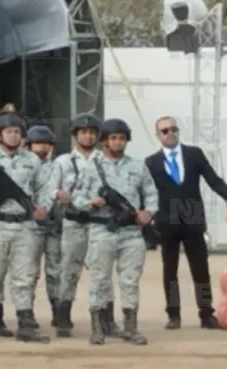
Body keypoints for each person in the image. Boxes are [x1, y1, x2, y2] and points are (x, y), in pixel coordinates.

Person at [144, 115, 227, 330]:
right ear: (158, 135)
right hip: (167, 222)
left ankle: (206, 314)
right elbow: (145, 193)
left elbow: (213, 179)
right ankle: (173, 314)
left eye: (173, 129)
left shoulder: (194, 155)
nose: (170, 133)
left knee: (200, 269)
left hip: (192, 219)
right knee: (170, 269)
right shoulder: (151, 162)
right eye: (164, 130)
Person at [76, 118, 158, 346]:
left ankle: (131, 327)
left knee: (130, 280)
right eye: (113, 138)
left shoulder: (138, 166)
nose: (118, 142)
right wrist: (91, 202)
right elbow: (76, 196)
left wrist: (148, 212)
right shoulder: (92, 167)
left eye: (122, 138)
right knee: (99, 279)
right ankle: (97, 327)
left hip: (131, 232)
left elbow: (151, 193)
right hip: (102, 230)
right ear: (104, 141)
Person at [0, 112, 50, 344]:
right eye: (8, 132)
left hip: (24, 225)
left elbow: (44, 187)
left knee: (24, 276)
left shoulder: (32, 160)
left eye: (17, 132)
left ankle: (25, 323)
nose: (13, 136)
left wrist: (43, 207)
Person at [53, 113, 101, 338]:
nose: (88, 136)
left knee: (102, 271)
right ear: (75, 136)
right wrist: (58, 194)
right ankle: (63, 315)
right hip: (73, 221)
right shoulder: (62, 162)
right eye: (83, 132)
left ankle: (104, 317)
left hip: (99, 223)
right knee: (69, 270)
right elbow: (50, 187)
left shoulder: (104, 159)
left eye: (92, 133)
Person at [25, 125, 63, 330]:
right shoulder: (23, 165)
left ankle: (58, 312)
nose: (42, 147)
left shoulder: (58, 166)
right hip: (30, 224)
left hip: (54, 225)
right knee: (29, 272)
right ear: (29, 145)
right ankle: (27, 312)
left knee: (56, 271)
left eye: (46, 143)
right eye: (38, 143)